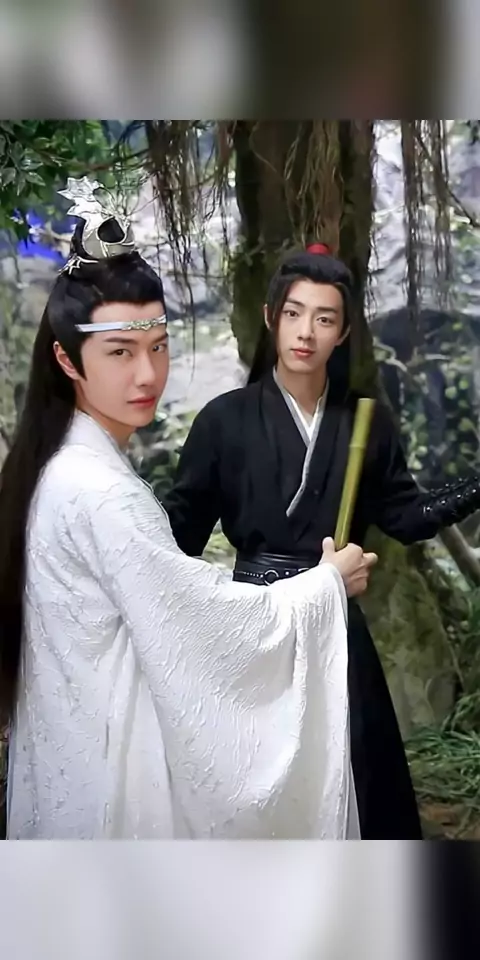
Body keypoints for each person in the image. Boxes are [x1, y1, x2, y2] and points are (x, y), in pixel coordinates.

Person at [0, 179, 376, 840]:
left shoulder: (63, 466)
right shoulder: (98, 489)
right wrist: (323, 587)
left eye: (158, 345)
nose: (148, 374)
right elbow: (194, 619)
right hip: (108, 760)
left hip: (79, 743)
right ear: (66, 359)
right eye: (120, 352)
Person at [163, 243, 480, 840]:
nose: (306, 332)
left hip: (335, 624)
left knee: (361, 773)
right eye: (293, 313)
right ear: (270, 318)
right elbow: (181, 535)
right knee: (258, 782)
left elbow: (406, 517)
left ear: (344, 331)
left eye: (324, 318)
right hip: (255, 622)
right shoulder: (223, 421)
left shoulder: (365, 422)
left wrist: (474, 486)